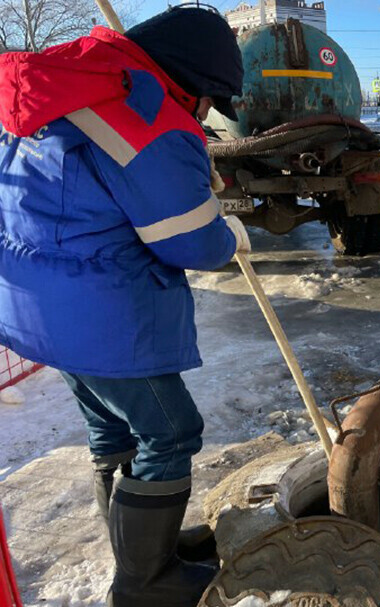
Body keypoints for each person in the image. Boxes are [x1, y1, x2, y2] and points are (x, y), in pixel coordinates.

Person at [0, 7, 250, 606]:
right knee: (171, 430)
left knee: (112, 425)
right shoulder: (149, 118)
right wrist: (229, 233)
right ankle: (145, 581)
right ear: (188, 82)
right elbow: (188, 240)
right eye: (209, 101)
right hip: (98, 312)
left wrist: (188, 185)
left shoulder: (71, 87)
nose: (205, 114)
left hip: (34, 302)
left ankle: (138, 547)